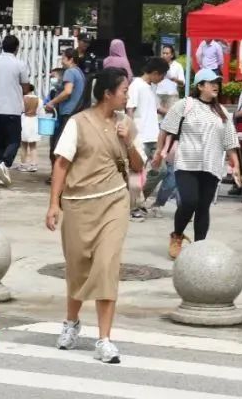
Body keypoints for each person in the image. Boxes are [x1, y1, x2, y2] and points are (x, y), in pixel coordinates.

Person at [45, 67, 145, 365]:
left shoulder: (126, 123)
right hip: (78, 204)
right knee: (78, 268)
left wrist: (127, 141)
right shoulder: (78, 123)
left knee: (106, 267)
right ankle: (72, 321)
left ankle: (104, 339)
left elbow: (139, 166)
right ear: (107, 94)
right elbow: (61, 165)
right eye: (124, 91)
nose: (127, 96)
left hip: (114, 203)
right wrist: (54, 204)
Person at [158, 68, 241, 258]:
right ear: (200, 86)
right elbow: (167, 127)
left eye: (217, 83)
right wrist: (158, 152)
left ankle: (200, 247)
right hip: (187, 163)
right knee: (189, 201)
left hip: (211, 166)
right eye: (211, 83)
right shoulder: (185, 105)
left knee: (203, 206)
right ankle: (177, 235)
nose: (215, 86)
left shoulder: (222, 113)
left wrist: (235, 165)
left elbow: (230, 142)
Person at [0, 35, 31, 188]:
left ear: (2, 46)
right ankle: (5, 163)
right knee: (14, 140)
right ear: (17, 48)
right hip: (12, 108)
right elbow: (25, 87)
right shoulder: (20, 65)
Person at [127, 57, 169, 221]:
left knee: (161, 170)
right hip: (140, 137)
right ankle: (133, 206)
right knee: (136, 174)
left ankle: (136, 201)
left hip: (153, 137)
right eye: (162, 75)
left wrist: (175, 113)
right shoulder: (136, 86)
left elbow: (157, 108)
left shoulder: (150, 88)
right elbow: (130, 109)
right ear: (155, 73)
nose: (162, 79)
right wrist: (131, 136)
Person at [45, 49, 87, 185]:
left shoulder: (69, 72)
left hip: (67, 113)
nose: (61, 61)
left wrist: (52, 102)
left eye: (63, 58)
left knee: (58, 146)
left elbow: (67, 91)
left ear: (70, 59)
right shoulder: (80, 72)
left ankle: (57, 176)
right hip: (76, 113)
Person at [17, 85, 42, 173]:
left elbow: (21, 109)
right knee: (33, 145)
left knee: (23, 145)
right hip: (34, 121)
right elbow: (40, 112)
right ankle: (33, 165)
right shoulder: (38, 99)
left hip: (24, 121)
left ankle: (23, 165)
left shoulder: (22, 99)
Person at [155, 44, 186, 112]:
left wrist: (174, 79)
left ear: (172, 55)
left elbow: (182, 83)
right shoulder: (157, 65)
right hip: (158, 95)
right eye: (163, 53)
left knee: (172, 117)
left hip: (172, 96)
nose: (164, 55)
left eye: (167, 53)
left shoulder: (177, 66)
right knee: (158, 119)